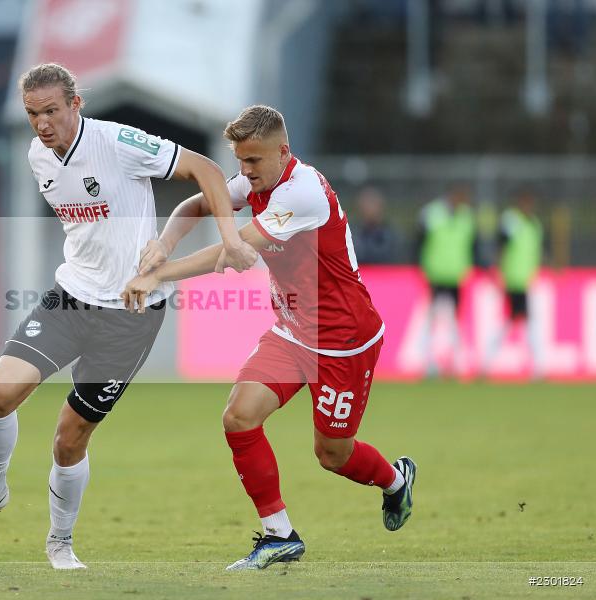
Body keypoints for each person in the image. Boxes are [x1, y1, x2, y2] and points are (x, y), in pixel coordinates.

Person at [0, 63, 257, 570]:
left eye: (52, 111)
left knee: (69, 436)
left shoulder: (118, 142)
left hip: (130, 313)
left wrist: (228, 238)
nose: (42, 123)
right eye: (34, 114)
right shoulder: (38, 155)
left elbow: (208, 170)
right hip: (71, 297)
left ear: (76, 105)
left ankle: (59, 543)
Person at [123, 105, 416, 571]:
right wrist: (164, 242)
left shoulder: (302, 193)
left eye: (254, 161)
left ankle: (396, 482)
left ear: (283, 152)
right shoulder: (259, 179)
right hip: (293, 330)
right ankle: (280, 535)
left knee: (332, 454)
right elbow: (196, 203)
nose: (245, 171)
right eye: (240, 161)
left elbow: (231, 249)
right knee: (239, 417)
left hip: (343, 338)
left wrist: (158, 276)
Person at [414, 184, 476, 376]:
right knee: (432, 319)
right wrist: (420, 265)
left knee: (454, 320)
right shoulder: (432, 213)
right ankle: (429, 363)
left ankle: (456, 362)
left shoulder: (467, 217)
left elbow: (472, 245)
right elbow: (419, 240)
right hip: (435, 274)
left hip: (456, 276)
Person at [485, 188, 544, 375]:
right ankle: (537, 367)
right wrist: (497, 271)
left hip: (526, 281)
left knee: (515, 321)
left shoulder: (534, 224)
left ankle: (487, 362)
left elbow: (536, 251)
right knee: (522, 320)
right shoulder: (512, 221)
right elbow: (501, 246)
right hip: (512, 279)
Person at [351, 185, 402, 265]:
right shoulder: (351, 235)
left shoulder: (392, 236)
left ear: (381, 206)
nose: (370, 208)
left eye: (373, 203)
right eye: (366, 203)